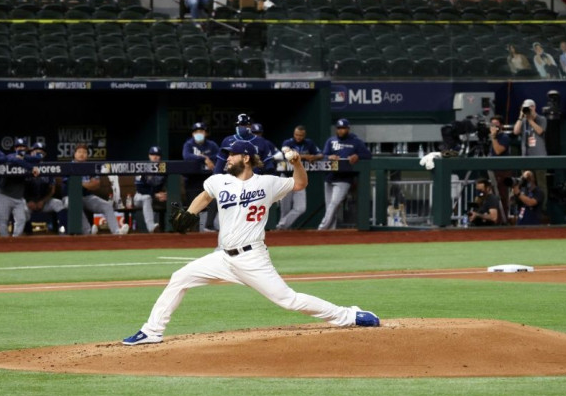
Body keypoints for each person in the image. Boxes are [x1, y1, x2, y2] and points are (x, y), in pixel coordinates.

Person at [122, 139, 380, 346]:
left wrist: (298, 162)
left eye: (232, 155)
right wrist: (190, 214)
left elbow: (300, 183)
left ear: (245, 158)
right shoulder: (218, 180)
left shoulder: (267, 183)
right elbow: (204, 196)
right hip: (223, 258)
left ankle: (349, 315)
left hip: (252, 258)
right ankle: (152, 331)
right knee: (179, 277)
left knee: (288, 300)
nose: (227, 158)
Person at [318, 119, 372, 230]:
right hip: (330, 176)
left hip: (345, 178)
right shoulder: (331, 141)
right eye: (339, 128)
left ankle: (322, 228)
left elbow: (368, 155)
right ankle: (330, 231)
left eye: (343, 128)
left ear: (348, 129)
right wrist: (329, 157)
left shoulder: (356, 141)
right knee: (330, 206)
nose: (341, 130)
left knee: (334, 203)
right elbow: (323, 155)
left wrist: (357, 155)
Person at [63, 143, 128, 235]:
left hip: (86, 197)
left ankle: (117, 231)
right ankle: (88, 231)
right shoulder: (68, 166)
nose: (82, 154)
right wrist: (87, 183)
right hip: (70, 197)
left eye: (84, 152)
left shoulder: (91, 166)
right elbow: (72, 185)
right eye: (79, 152)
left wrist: (80, 183)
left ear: (87, 155)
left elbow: (96, 185)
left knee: (106, 205)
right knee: (73, 202)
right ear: (74, 154)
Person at [276, 125, 322, 230]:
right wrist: (306, 156)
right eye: (297, 134)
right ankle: (282, 233)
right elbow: (288, 154)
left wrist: (314, 157)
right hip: (286, 178)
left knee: (301, 208)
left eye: (301, 135)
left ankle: (281, 226)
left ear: (304, 135)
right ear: (294, 134)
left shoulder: (309, 143)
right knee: (285, 209)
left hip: (299, 178)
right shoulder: (288, 142)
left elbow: (321, 154)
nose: (298, 137)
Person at [0, 138, 42, 237]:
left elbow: (38, 158)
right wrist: (31, 167)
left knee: (22, 220)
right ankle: (5, 245)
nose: (20, 148)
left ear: (26, 148)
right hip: (4, 195)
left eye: (23, 146)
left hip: (18, 198)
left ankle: (14, 242)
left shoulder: (26, 158)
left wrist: (35, 154)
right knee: (3, 222)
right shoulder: (10, 156)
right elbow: (14, 159)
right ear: (15, 148)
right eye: (18, 147)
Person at [181, 122, 219, 232]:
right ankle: (194, 230)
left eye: (201, 131)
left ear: (205, 133)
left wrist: (207, 158)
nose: (199, 133)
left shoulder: (211, 145)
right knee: (194, 205)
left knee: (214, 200)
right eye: (196, 131)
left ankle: (209, 226)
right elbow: (187, 156)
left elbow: (219, 155)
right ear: (193, 134)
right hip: (192, 181)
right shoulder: (188, 144)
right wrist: (204, 158)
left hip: (207, 180)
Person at [24, 142, 67, 234]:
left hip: (43, 202)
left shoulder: (48, 168)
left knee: (59, 204)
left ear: (45, 154)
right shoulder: (25, 166)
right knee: (22, 208)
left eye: (41, 152)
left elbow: (52, 190)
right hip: (29, 202)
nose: (38, 153)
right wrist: (28, 201)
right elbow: (20, 188)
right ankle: (28, 234)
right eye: (36, 151)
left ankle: (62, 230)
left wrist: (43, 201)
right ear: (31, 153)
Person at [133, 146, 167, 233]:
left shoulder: (164, 169)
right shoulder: (142, 168)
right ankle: (151, 227)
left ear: (160, 157)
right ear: (149, 156)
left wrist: (166, 194)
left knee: (173, 199)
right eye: (152, 154)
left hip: (156, 197)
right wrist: (154, 195)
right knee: (147, 198)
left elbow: (171, 185)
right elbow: (140, 189)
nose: (155, 157)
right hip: (140, 197)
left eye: (157, 155)